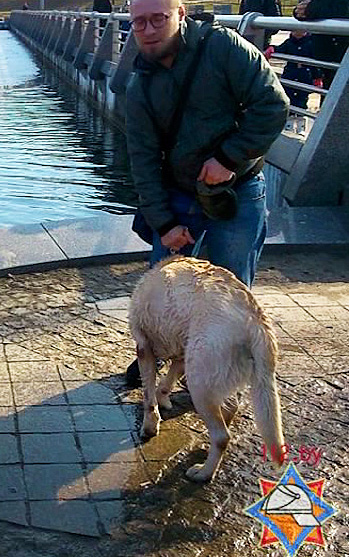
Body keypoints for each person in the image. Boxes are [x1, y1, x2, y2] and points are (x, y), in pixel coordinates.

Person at [122, 0, 289, 387]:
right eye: (138, 22)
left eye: (157, 19)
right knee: (166, 291)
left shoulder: (223, 48)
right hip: (178, 193)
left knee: (232, 286)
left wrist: (229, 159)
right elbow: (142, 161)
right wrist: (164, 223)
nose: (147, 29)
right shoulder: (139, 85)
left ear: (181, 14)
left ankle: (227, 367)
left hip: (238, 190)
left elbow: (272, 106)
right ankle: (163, 357)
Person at [294, 0, 349, 90]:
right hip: (326, 57)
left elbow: (341, 9)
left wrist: (312, 9)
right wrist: (301, 11)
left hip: (340, 55)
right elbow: (302, 9)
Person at [265, 30, 322, 110]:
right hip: (291, 74)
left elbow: (315, 63)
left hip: (305, 75)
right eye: (294, 30)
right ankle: (290, 113)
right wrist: (272, 48)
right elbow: (280, 49)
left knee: (302, 97)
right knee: (287, 95)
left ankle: (300, 115)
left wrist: (317, 77)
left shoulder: (310, 43)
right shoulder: (289, 42)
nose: (296, 32)